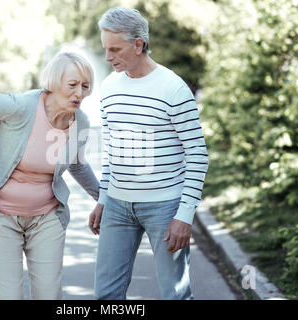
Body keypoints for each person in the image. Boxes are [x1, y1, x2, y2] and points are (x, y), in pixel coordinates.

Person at [0, 51, 100, 300]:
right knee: (8, 296)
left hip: (46, 218)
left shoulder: (81, 123)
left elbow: (77, 165)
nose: (79, 93)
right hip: (1, 217)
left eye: (85, 86)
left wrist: (104, 197)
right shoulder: (20, 107)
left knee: (49, 295)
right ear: (55, 82)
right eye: (73, 85)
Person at [88, 7, 209, 300]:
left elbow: (197, 153)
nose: (108, 57)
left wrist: (185, 215)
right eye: (106, 49)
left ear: (138, 44)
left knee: (175, 295)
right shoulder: (109, 88)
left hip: (165, 208)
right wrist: (103, 199)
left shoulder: (173, 88)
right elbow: (111, 152)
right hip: (117, 206)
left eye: (115, 49)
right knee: (106, 296)